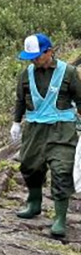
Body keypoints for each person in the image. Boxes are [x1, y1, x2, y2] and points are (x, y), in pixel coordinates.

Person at [11, 33, 81, 238]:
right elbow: (20, 101)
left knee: (61, 170)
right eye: (30, 57)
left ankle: (59, 218)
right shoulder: (25, 75)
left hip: (62, 129)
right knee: (30, 165)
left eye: (37, 56)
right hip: (34, 130)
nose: (33, 60)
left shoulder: (68, 73)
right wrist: (16, 123)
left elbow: (80, 99)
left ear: (49, 52)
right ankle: (34, 203)